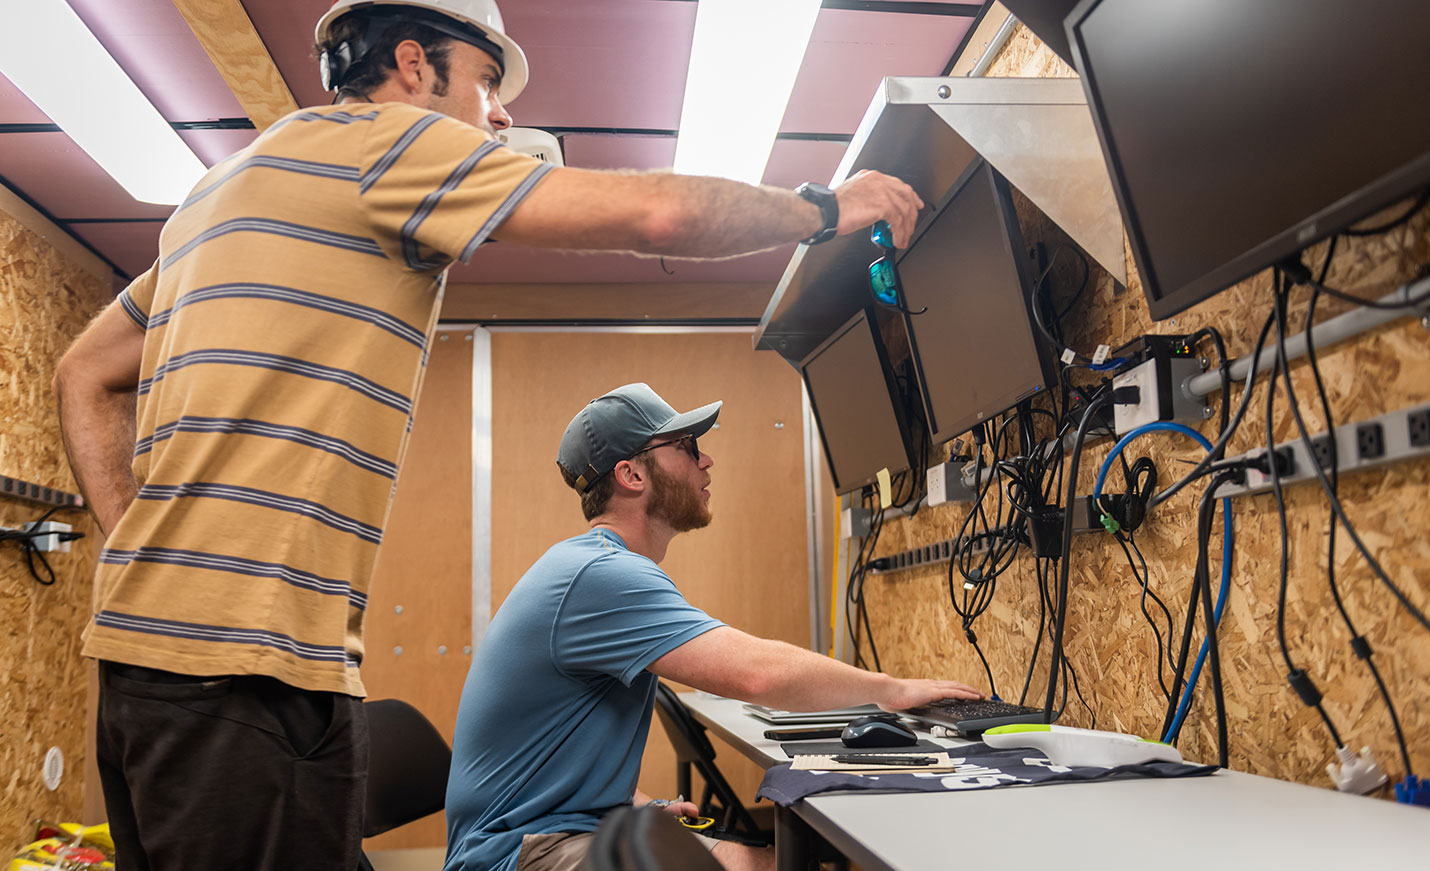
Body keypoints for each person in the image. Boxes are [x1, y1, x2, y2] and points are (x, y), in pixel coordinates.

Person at [51, 1, 924, 868]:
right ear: (413, 65)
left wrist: (145, 551)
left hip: (150, 667)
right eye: (487, 80)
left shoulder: (225, 188)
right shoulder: (383, 140)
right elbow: (658, 217)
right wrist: (825, 206)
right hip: (247, 671)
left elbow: (82, 374)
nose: (502, 114)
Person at [444, 383, 981, 871]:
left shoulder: (592, 568)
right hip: (517, 854)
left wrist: (638, 808)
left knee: (768, 862)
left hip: (552, 832)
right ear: (631, 474)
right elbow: (757, 675)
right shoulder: (601, 575)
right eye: (685, 447)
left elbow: (546, 766)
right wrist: (892, 690)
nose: (707, 459)